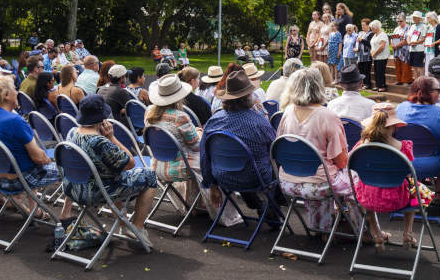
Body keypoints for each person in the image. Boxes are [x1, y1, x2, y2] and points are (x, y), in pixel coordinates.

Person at [64, 94, 156, 248]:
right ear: (102, 119)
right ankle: (137, 227)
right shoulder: (100, 142)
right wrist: (112, 138)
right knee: (150, 175)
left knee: (113, 174)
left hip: (73, 189)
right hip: (96, 193)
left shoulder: (72, 132)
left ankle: (124, 224)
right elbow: (130, 163)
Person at [276, 68, 361, 233]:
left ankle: (321, 227)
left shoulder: (287, 112)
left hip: (288, 182)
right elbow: (342, 162)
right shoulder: (327, 116)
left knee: (326, 174)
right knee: (357, 178)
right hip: (320, 185)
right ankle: (364, 230)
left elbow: (280, 147)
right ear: (319, 86)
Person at [0, 76, 72, 222]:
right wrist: (48, 159)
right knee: (71, 167)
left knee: (25, 158)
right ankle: (65, 215)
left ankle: (36, 210)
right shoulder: (15, 120)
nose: (17, 92)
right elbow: (40, 159)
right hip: (23, 179)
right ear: (6, 95)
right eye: (14, 89)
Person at [200, 71, 284, 218]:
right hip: (255, 177)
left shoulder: (213, 121)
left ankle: (259, 205)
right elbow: (276, 152)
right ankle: (274, 205)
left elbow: (204, 156)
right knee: (267, 166)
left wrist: (211, 185)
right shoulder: (260, 122)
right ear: (250, 95)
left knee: (245, 164)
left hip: (222, 177)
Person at [353, 103, 431, 251]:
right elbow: (409, 174)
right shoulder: (404, 147)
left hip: (366, 198)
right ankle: (407, 233)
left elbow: (351, 165)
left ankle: (376, 234)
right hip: (398, 199)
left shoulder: (361, 146)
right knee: (414, 186)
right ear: (393, 126)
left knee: (362, 186)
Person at [146, 74, 203, 204]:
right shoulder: (180, 116)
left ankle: (194, 205)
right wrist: (199, 133)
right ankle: (207, 206)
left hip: (156, 166)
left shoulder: (149, 113)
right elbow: (196, 146)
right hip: (179, 168)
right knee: (210, 162)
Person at [395, 76, 440, 155]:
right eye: (438, 90)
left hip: (403, 159)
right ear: (427, 92)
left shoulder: (400, 108)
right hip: (434, 163)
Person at [369, 19, 390, 93]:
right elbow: (372, 45)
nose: (371, 29)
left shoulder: (382, 35)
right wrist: (372, 52)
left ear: (377, 27)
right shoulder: (374, 35)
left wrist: (375, 53)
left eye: (372, 27)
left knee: (380, 71)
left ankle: (382, 85)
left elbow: (382, 46)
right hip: (376, 57)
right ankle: (378, 85)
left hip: (382, 56)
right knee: (376, 71)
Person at [390, 13, 411, 86]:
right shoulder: (396, 29)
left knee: (405, 65)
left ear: (405, 20)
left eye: (401, 21)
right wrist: (392, 44)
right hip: (396, 51)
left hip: (404, 50)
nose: (399, 23)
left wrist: (397, 45)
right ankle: (399, 79)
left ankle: (406, 80)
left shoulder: (408, 28)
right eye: (398, 21)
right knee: (397, 65)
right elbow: (392, 38)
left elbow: (406, 40)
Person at [406, 11, 427, 81]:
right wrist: (409, 42)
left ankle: (421, 81)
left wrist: (416, 42)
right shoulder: (412, 26)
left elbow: (424, 38)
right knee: (414, 66)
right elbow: (409, 36)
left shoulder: (424, 26)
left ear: (419, 18)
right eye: (413, 17)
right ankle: (416, 81)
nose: (413, 18)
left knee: (420, 66)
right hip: (412, 48)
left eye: (415, 17)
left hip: (420, 48)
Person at [355, 17, 374, 89]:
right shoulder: (360, 33)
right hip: (360, 55)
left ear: (368, 25)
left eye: (364, 25)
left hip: (367, 55)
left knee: (367, 70)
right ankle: (362, 83)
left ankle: (367, 84)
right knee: (361, 70)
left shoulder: (371, 34)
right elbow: (356, 42)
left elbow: (370, 43)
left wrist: (362, 40)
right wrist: (355, 47)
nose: (362, 26)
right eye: (362, 25)